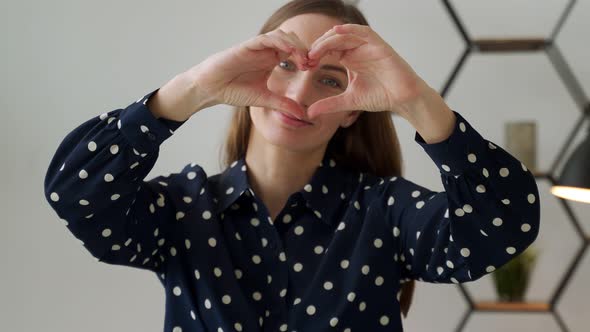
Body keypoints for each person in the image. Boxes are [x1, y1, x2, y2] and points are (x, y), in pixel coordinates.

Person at [43, 0, 541, 331]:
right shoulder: (182, 210)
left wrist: (413, 98)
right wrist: (192, 89)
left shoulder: (385, 212)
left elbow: (501, 227)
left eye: (330, 81)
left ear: (354, 110)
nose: (300, 94)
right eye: (285, 65)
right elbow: (76, 193)